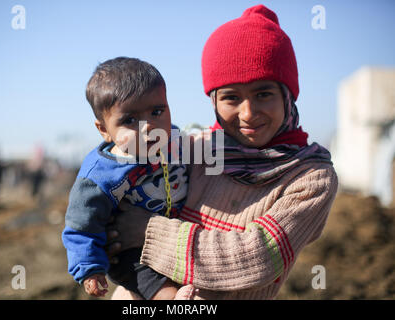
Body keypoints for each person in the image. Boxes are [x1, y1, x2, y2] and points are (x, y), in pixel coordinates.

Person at [106, 5, 338, 300]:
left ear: (287, 96)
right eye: (231, 97)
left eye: (263, 94)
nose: (248, 113)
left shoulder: (310, 177)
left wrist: (147, 232)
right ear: (214, 101)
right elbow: (118, 176)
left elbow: (257, 258)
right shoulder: (196, 149)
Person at [61, 57, 193, 300]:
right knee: (169, 296)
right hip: (131, 255)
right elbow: (81, 226)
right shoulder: (100, 176)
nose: (148, 127)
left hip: (171, 242)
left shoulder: (175, 139)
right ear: (104, 130)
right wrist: (90, 270)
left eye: (157, 112)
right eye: (130, 120)